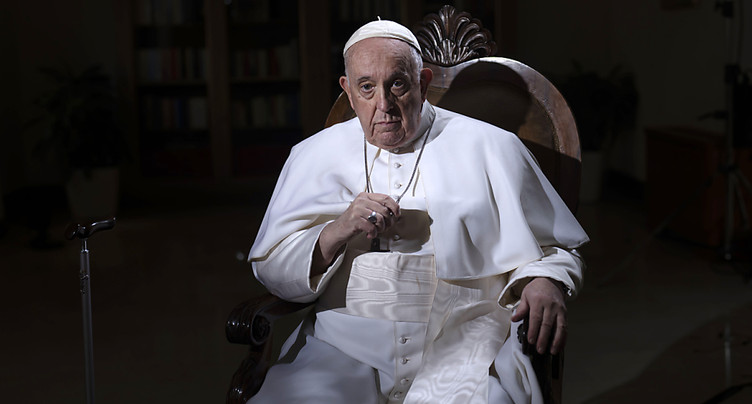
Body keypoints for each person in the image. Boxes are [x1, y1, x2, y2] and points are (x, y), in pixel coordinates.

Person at [247, 19, 589, 404]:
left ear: (423, 83)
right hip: (344, 348)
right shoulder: (313, 154)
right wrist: (338, 229)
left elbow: (557, 247)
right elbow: (273, 268)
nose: (384, 106)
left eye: (397, 84)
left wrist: (545, 280)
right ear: (348, 91)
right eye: (366, 87)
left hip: (466, 345)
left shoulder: (494, 146)